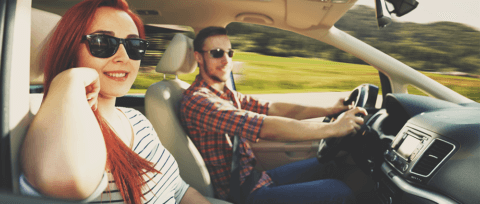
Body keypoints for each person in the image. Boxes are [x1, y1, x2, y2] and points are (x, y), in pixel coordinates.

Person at [20, 0, 211, 203]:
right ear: (70, 49)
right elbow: (65, 179)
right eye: (102, 43)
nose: (124, 57)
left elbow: (180, 190)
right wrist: (68, 79)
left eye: (134, 45)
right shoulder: (61, 133)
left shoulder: (137, 120)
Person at [179, 26, 368, 204]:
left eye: (230, 53)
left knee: (331, 164)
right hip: (242, 194)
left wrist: (329, 110)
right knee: (339, 191)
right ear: (199, 57)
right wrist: (334, 128)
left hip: (255, 178)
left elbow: (272, 109)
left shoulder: (223, 94)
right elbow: (265, 126)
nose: (226, 59)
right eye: (217, 53)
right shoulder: (198, 101)